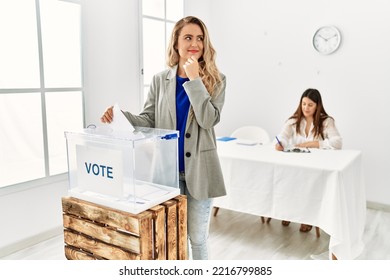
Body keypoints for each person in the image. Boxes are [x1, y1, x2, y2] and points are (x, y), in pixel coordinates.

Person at [100, 16, 226, 260]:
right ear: (176, 43)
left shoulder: (216, 80)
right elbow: (149, 120)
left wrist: (195, 79)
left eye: (200, 38)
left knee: (197, 240)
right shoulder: (160, 80)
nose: (195, 44)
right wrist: (120, 116)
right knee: (169, 238)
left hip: (201, 171)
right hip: (167, 173)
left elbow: (208, 120)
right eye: (188, 37)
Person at [275, 88, 342, 232]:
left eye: (310, 105)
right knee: (288, 181)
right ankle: (288, 213)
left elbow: (337, 142)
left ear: (317, 105)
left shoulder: (326, 121)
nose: (306, 108)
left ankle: (307, 219)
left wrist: (315, 143)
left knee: (309, 186)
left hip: (315, 166)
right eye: (303, 104)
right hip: (296, 162)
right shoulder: (293, 121)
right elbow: (283, 137)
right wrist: (280, 143)